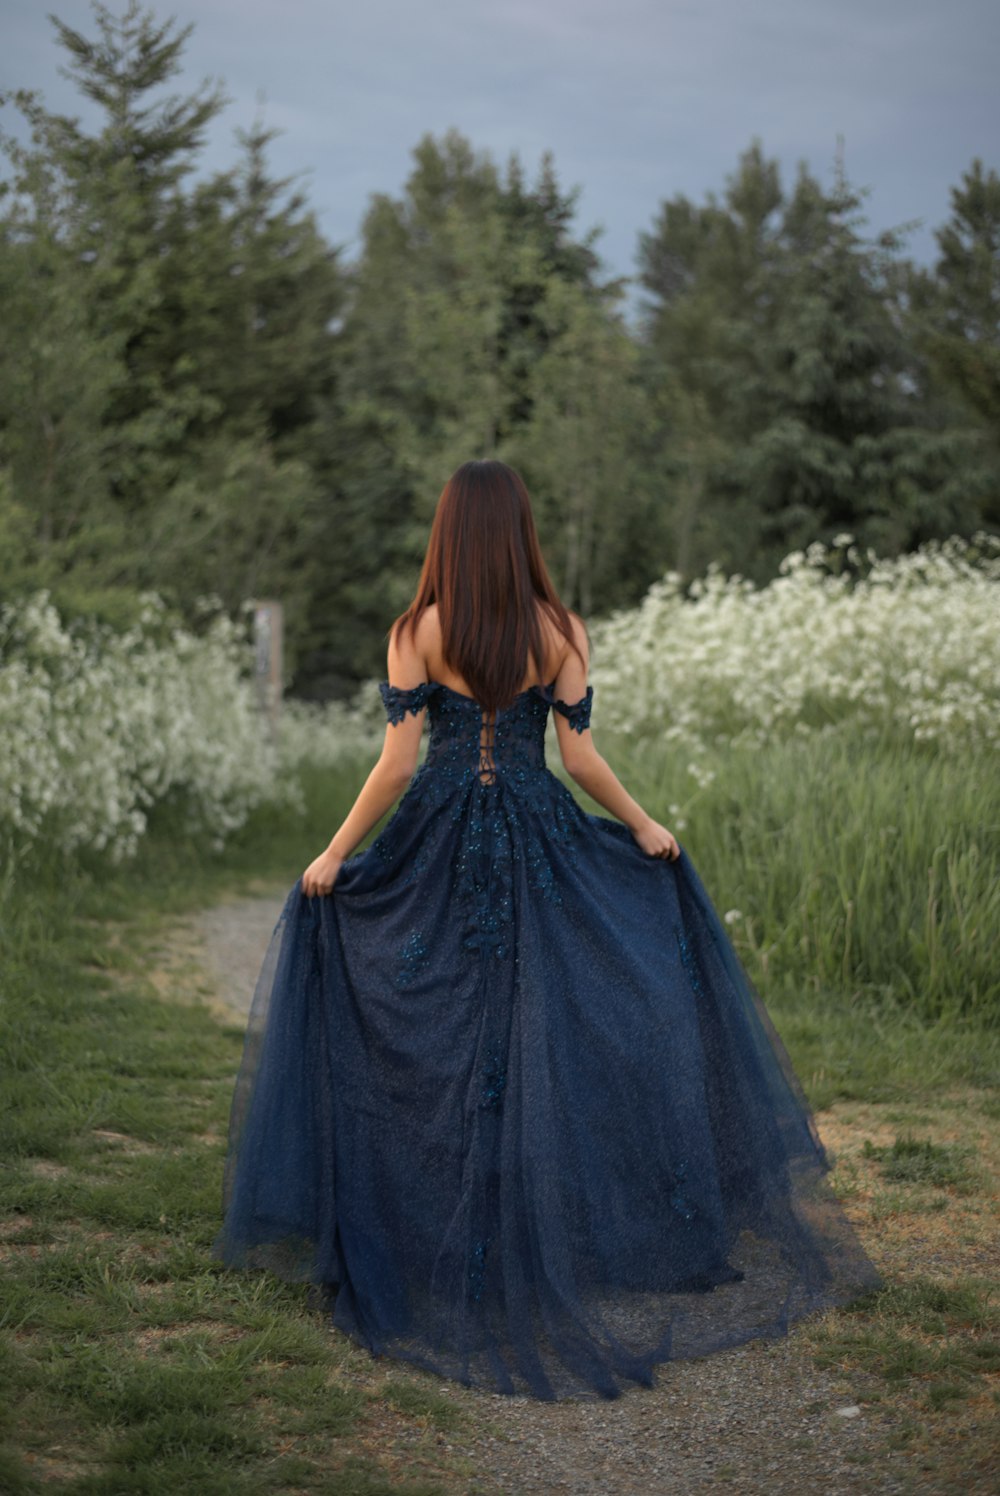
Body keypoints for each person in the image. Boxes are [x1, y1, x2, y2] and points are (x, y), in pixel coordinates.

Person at [211, 459, 883, 1402]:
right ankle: (547, 1231)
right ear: (521, 533)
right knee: (550, 1024)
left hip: (440, 839)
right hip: (537, 836)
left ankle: (436, 1234)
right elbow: (577, 756)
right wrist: (644, 825)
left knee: (438, 1025)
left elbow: (400, 765)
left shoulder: (420, 631)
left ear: (449, 533)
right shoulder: (561, 629)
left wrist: (334, 853)